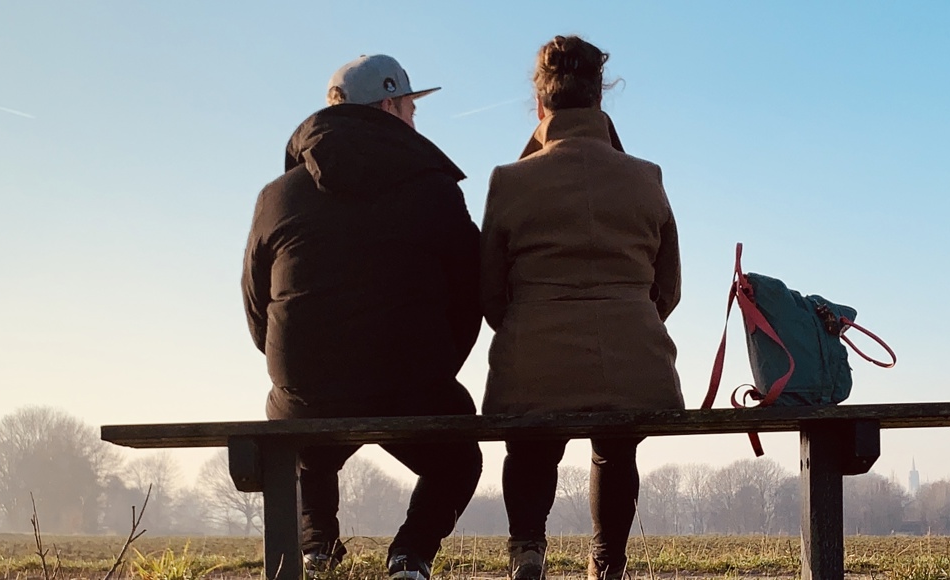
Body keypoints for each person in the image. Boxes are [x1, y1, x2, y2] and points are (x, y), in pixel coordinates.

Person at [243, 53, 484, 580]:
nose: (417, 120)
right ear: (391, 104)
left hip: (309, 389)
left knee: (300, 427)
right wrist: (435, 365)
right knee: (460, 456)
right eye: (412, 107)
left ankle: (316, 548)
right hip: (415, 383)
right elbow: (473, 294)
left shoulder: (275, 197)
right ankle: (410, 554)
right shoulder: (436, 188)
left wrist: (296, 362)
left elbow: (256, 306)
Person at [480, 36, 682, 580]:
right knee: (616, 449)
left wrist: (530, 321)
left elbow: (490, 293)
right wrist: (629, 319)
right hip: (635, 362)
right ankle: (607, 562)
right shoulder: (647, 177)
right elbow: (670, 289)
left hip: (533, 359)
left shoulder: (509, 180)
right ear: (600, 100)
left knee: (531, 444)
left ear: (541, 105)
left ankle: (527, 550)